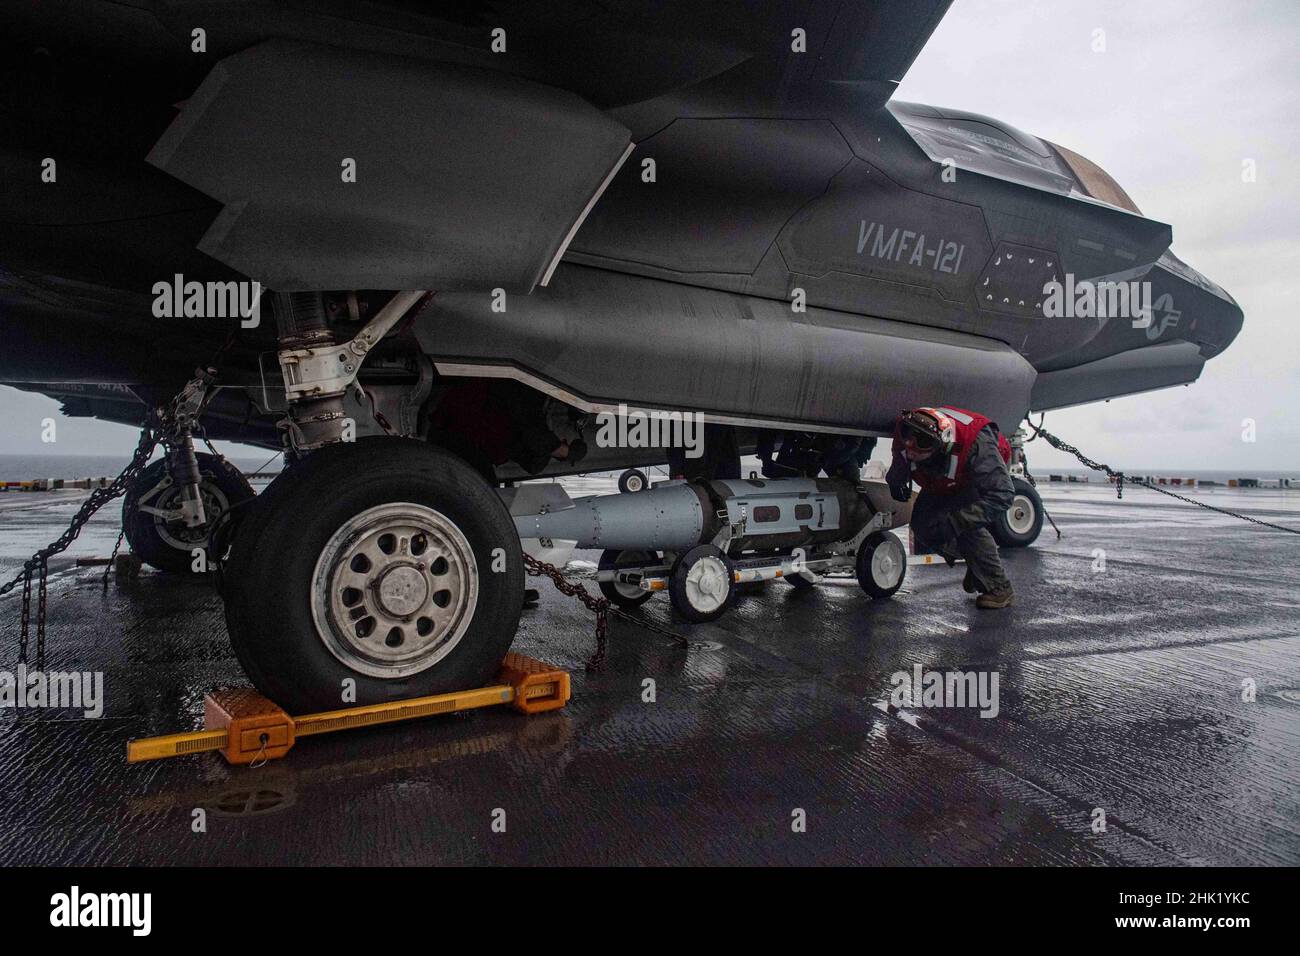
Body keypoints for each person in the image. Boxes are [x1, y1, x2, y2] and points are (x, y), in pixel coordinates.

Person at [886, 406, 1015, 608]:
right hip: (939, 475)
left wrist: (957, 522)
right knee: (923, 527)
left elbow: (1003, 494)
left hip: (972, 476)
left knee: (967, 527)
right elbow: (900, 454)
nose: (910, 444)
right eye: (908, 435)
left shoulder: (977, 446)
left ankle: (999, 588)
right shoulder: (908, 434)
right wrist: (896, 479)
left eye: (922, 441)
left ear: (940, 445)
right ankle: (976, 562)